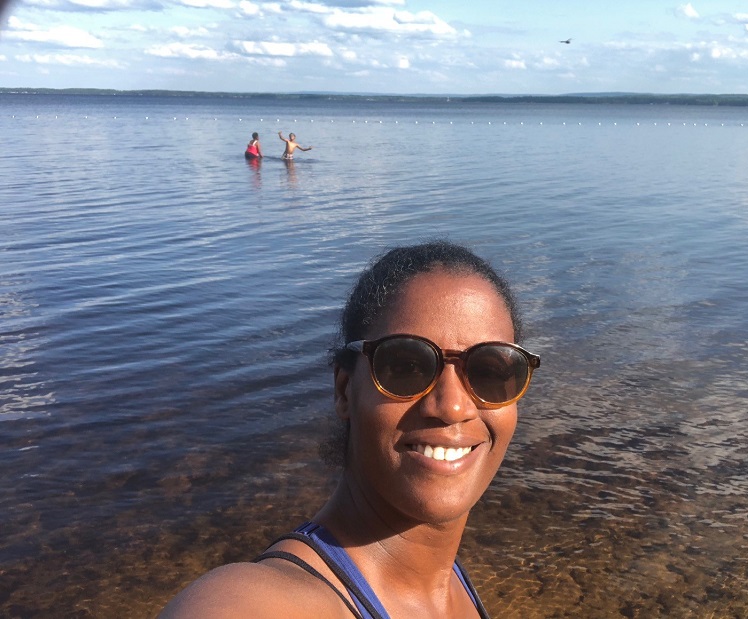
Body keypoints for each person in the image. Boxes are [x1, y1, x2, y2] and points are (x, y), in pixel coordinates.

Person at [159, 240, 540, 619]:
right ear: (344, 390)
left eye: (490, 371)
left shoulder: (450, 585)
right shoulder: (256, 603)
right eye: (405, 366)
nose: (453, 406)